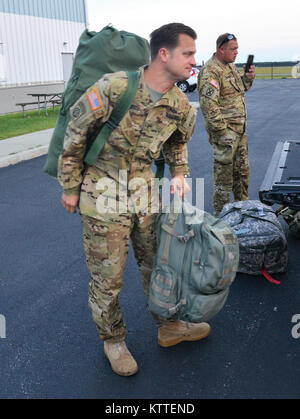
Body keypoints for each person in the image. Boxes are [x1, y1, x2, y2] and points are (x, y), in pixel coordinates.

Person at [58, 23, 211, 377]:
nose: (193, 60)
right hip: (103, 194)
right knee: (108, 277)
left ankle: (169, 326)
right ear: (164, 54)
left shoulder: (179, 104)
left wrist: (178, 172)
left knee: (159, 265)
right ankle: (113, 339)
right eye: (187, 53)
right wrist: (69, 186)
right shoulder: (115, 87)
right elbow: (76, 133)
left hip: (145, 195)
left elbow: (177, 142)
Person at [197, 33, 255, 216]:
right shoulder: (211, 71)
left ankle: (243, 212)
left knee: (242, 175)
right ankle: (220, 219)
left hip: (239, 132)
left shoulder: (229, 66)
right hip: (226, 135)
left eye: (237, 48)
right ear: (221, 49)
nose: (236, 52)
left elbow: (241, 89)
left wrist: (248, 77)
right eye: (232, 49)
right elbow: (209, 106)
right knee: (224, 180)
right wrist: (223, 133)